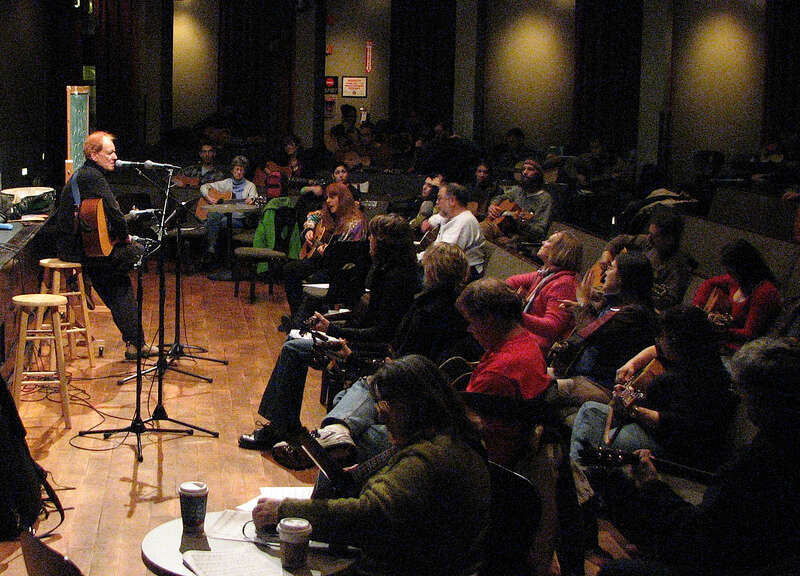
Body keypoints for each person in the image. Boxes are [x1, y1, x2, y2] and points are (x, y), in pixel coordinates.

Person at [252, 355, 490, 576]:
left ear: (412, 405)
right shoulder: (450, 438)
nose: (382, 417)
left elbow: (368, 516)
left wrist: (284, 511)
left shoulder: (429, 457)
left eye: (387, 406)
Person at [593, 337, 800, 575]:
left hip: (724, 561)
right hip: (750, 553)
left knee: (615, 570)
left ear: (762, 399)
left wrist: (652, 483)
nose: (741, 399)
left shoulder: (758, 464)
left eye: (743, 392)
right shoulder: (781, 442)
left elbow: (700, 537)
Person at [239, 214, 418, 451]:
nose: (369, 241)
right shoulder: (388, 271)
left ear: (385, 244)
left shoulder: (396, 280)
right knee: (294, 338)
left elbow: (381, 333)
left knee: (292, 348)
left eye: (373, 237)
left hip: (366, 349)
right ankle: (284, 424)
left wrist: (333, 329)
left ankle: (280, 427)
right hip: (359, 339)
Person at [570, 305, 736, 469]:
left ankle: (581, 475)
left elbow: (680, 425)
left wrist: (634, 409)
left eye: (662, 336)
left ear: (676, 341)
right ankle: (580, 472)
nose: (658, 340)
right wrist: (632, 365)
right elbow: (656, 350)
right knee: (590, 410)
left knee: (597, 436)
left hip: (671, 446)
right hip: (649, 426)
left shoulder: (707, 378)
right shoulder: (690, 356)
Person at [55, 131, 150, 360]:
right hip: (81, 250)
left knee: (119, 283)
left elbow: (99, 217)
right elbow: (114, 212)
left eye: (114, 152)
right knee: (137, 251)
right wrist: (125, 237)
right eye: (109, 153)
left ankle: (136, 343)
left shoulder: (84, 175)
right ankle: (136, 342)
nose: (115, 157)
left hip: (79, 247)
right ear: (93, 154)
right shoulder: (93, 177)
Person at [549, 252, 658, 413]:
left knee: (543, 390)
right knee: (530, 375)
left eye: (611, 268)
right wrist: (579, 307)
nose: (605, 273)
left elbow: (591, 334)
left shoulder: (634, 314)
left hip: (600, 384)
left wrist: (583, 304)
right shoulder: (618, 303)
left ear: (622, 278)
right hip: (580, 372)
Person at [281, 183, 367, 323]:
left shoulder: (355, 223)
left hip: (342, 268)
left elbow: (346, 253)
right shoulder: (330, 214)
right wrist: (309, 230)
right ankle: (297, 315)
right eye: (327, 197)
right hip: (324, 260)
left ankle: (304, 320)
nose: (328, 201)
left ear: (343, 199)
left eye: (332, 197)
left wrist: (328, 250)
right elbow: (313, 216)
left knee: (318, 279)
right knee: (290, 269)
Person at [692, 239, 782, 351]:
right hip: (724, 338)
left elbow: (750, 334)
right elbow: (709, 283)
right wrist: (698, 308)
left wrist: (718, 330)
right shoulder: (737, 280)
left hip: (741, 348)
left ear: (742, 268)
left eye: (730, 271)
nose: (728, 274)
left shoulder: (764, 292)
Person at [595, 209, 693, 311]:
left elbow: (668, 304)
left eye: (654, 236)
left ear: (669, 240)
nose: (648, 238)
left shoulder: (679, 268)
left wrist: (631, 291)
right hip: (621, 300)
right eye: (649, 233)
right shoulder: (649, 243)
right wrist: (606, 254)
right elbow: (621, 239)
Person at [505, 230, 581, 353]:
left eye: (549, 241)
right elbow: (510, 282)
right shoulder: (545, 274)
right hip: (522, 335)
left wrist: (517, 315)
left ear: (560, 251)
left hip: (535, 346)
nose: (543, 242)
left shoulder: (564, 284)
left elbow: (552, 326)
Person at [200, 155, 257, 268]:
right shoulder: (226, 183)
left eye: (242, 170)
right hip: (223, 215)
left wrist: (251, 202)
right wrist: (208, 198)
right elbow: (204, 187)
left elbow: (253, 200)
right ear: (232, 170)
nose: (239, 172)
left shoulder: (250, 186)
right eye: (237, 169)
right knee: (213, 214)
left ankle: (212, 253)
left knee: (213, 223)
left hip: (239, 218)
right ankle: (212, 251)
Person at [482, 157, 553, 246]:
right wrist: (493, 205)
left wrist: (522, 223)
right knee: (478, 228)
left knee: (483, 231)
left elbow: (540, 231)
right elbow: (499, 197)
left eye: (530, 169)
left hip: (520, 240)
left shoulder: (545, 199)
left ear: (538, 174)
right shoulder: (518, 190)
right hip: (502, 229)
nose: (525, 172)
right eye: (523, 169)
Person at [423, 182, 485, 279]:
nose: (437, 202)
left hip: (464, 273)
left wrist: (418, 259)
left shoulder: (465, 221)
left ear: (452, 201)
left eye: (439, 198)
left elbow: (443, 256)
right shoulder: (450, 217)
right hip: (446, 268)